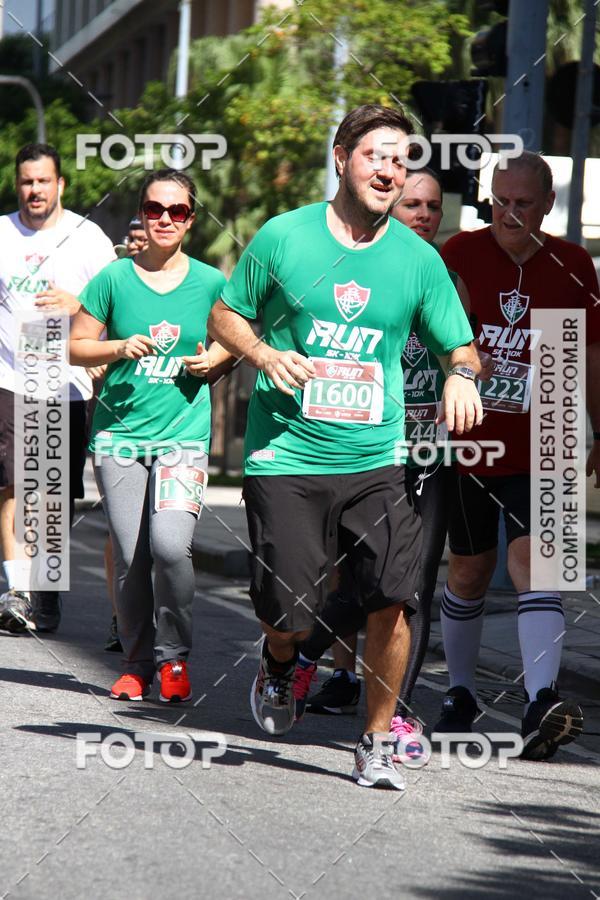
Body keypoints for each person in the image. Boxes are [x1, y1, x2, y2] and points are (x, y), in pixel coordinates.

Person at [209, 105, 483, 789]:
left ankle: (376, 740)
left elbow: (462, 345)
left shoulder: (419, 260)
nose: (388, 169)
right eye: (375, 155)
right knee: (290, 613)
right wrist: (264, 354)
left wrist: (463, 376)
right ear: (341, 158)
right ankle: (278, 662)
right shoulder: (285, 237)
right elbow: (225, 312)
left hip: (377, 459)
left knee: (393, 596)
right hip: (288, 457)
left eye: (400, 158)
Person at [294, 169, 484, 762]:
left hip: (424, 452)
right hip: (360, 449)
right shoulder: (355, 266)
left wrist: (463, 377)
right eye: (412, 205)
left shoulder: (446, 278)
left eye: (432, 206)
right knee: (356, 581)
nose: (423, 215)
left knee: (412, 585)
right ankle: (303, 655)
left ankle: (396, 715)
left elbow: (463, 352)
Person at [436, 151, 600, 760]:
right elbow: (430, 338)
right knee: (469, 572)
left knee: (540, 564)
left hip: (552, 428)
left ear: (547, 205)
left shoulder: (573, 264)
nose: (507, 213)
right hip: (471, 436)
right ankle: (458, 692)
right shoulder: (461, 254)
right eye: (499, 200)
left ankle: (540, 703)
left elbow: (591, 356)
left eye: (521, 202)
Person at [69, 168, 231, 703]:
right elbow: (76, 347)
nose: (165, 219)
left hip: (182, 437)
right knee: (133, 553)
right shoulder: (114, 279)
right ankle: (137, 663)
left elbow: (244, 338)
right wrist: (117, 349)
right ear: (141, 212)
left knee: (170, 545)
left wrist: (215, 359)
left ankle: (175, 658)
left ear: (191, 219)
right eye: (155, 209)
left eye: (177, 211)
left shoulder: (211, 283)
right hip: (119, 438)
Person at [0, 143, 115, 634]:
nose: (34, 190)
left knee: (53, 494)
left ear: (60, 184)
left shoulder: (88, 238)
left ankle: (45, 592)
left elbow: (114, 303)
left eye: (43, 181)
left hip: (66, 381)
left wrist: (79, 304)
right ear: (17, 185)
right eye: (27, 181)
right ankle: (16, 589)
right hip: (9, 377)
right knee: (11, 482)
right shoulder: (2, 233)